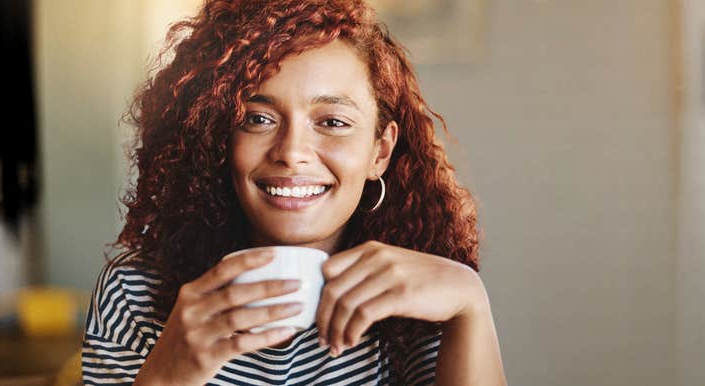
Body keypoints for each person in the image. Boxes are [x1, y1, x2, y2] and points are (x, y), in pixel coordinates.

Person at [82, 0, 507, 385]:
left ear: (380, 150)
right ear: (219, 138)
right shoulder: (135, 294)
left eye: (332, 122)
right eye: (259, 118)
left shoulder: (417, 300)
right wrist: (165, 377)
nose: (292, 153)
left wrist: (470, 303)